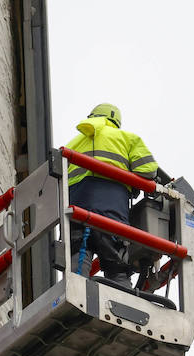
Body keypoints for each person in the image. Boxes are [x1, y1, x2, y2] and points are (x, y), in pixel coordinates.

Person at [63, 103, 160, 284]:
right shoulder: (127, 138)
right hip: (112, 212)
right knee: (117, 270)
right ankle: (124, 307)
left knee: (78, 262)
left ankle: (75, 299)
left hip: (76, 211)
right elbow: (148, 171)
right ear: (116, 121)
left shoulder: (71, 144)